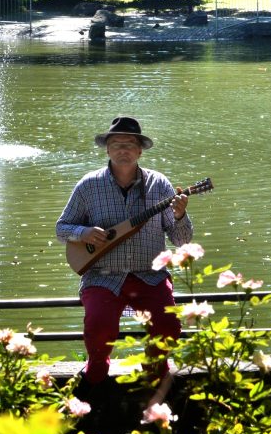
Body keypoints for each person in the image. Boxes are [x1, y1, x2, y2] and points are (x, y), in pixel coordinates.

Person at [56, 116, 192, 394]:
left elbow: (182, 240)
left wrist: (179, 215)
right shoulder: (88, 185)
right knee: (98, 324)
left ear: (140, 150)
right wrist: (82, 233)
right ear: (107, 149)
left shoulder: (160, 185)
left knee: (168, 323)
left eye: (130, 144)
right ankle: (96, 372)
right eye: (116, 144)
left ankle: (154, 372)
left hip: (149, 275)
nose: (123, 150)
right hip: (103, 276)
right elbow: (61, 229)